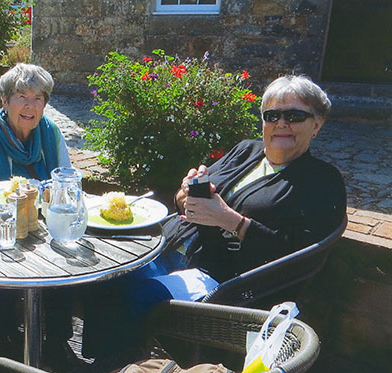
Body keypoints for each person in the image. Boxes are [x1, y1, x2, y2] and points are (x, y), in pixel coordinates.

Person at [82, 75, 347, 358]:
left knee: (134, 297)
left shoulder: (322, 182)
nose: (281, 123)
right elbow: (197, 197)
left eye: (295, 116)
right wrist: (185, 195)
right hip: (170, 244)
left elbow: (302, 255)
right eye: (272, 115)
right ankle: (90, 361)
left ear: (316, 124)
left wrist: (231, 221)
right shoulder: (247, 150)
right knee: (100, 275)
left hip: (220, 277)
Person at [0, 63, 79, 372]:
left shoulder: (51, 133)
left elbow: (66, 182)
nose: (31, 105)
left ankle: (56, 343)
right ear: (5, 101)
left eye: (39, 98)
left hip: (43, 230)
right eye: (22, 96)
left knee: (67, 260)